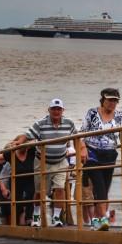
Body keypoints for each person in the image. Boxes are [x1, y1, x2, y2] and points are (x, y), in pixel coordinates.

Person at [12, 98, 85, 228]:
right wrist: (18, 142)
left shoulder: (69, 123)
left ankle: (56, 217)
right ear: (49, 110)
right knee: (40, 191)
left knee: (60, 189)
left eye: (59, 109)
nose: (56, 111)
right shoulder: (40, 123)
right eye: (53, 109)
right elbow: (28, 135)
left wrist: (82, 150)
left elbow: (77, 137)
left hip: (60, 161)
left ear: (63, 111)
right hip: (42, 161)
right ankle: (36, 216)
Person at [81, 88, 122, 231]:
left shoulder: (119, 116)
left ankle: (95, 222)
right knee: (99, 186)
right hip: (92, 153)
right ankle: (103, 219)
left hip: (109, 154)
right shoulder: (92, 113)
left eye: (115, 100)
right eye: (110, 100)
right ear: (103, 99)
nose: (112, 103)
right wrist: (82, 148)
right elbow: (81, 132)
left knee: (104, 188)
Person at [0, 137, 36, 225]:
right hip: (10, 188)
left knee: (28, 200)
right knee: (11, 207)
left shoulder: (32, 152)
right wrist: (4, 190)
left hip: (26, 184)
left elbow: (37, 142)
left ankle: (28, 221)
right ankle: (13, 223)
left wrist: (28, 138)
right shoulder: (9, 159)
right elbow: (1, 177)